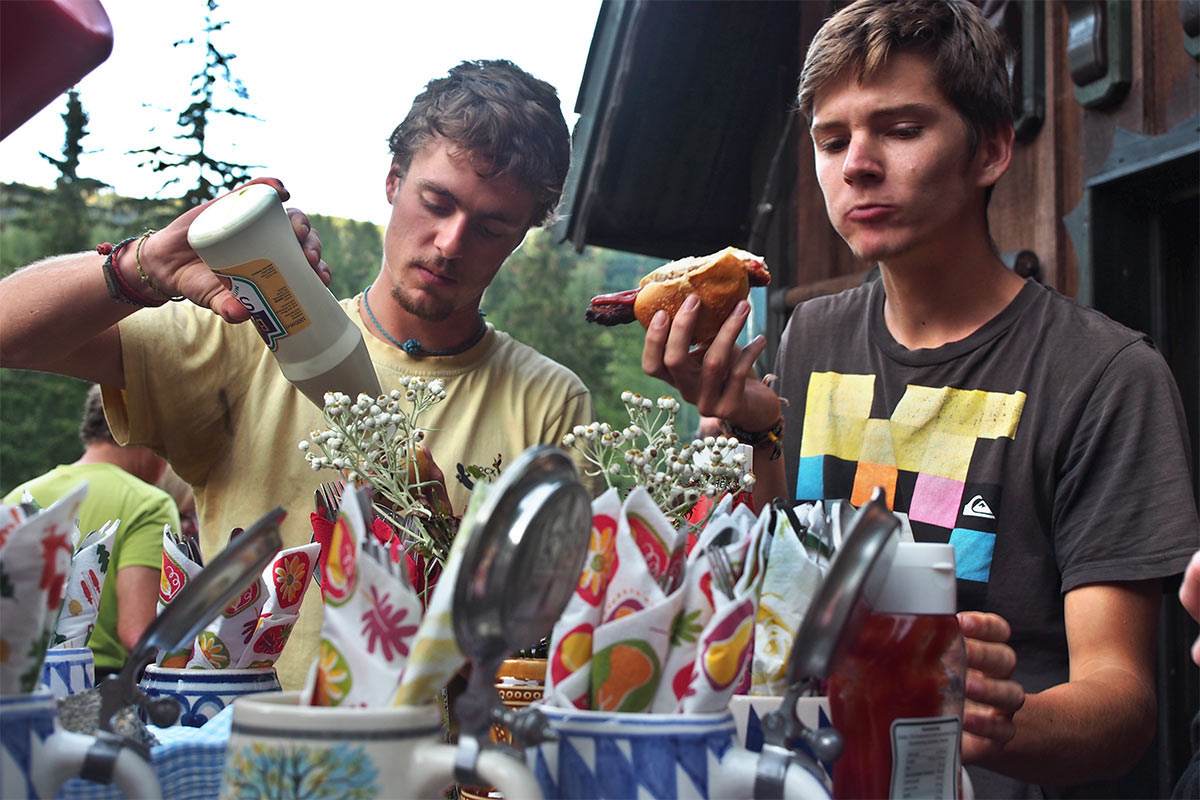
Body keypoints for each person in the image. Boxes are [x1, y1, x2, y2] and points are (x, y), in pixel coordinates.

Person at [640, 1, 1199, 796]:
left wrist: (997, 719)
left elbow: (1123, 703)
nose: (856, 164)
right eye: (832, 141)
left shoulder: (1104, 376)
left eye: (900, 130)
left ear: (992, 150)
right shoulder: (807, 340)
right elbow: (770, 586)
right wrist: (750, 432)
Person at [0, 59, 595, 692]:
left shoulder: (550, 402)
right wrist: (145, 265)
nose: (450, 242)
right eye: (437, 202)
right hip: (235, 763)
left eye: (492, 226)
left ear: (522, 234)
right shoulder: (249, 335)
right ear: (393, 180)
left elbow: (559, 625)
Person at [3, 384, 179, 679]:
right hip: (96, 686)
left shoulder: (19, 496)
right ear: (149, 434)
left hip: (14, 681)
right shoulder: (150, 504)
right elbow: (139, 633)